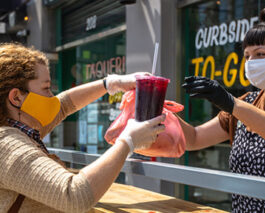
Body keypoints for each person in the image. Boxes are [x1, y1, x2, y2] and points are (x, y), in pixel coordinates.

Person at [180, 7, 265, 212]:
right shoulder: (248, 101)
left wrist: (232, 104)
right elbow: (193, 138)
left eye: (261, 54)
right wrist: (157, 106)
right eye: (247, 56)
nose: (251, 62)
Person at [0, 43, 166, 213]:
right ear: (16, 97)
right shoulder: (7, 146)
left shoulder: (19, 127)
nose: (51, 97)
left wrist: (110, 83)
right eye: (46, 88)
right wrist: (127, 142)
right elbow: (73, 196)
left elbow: (64, 105)